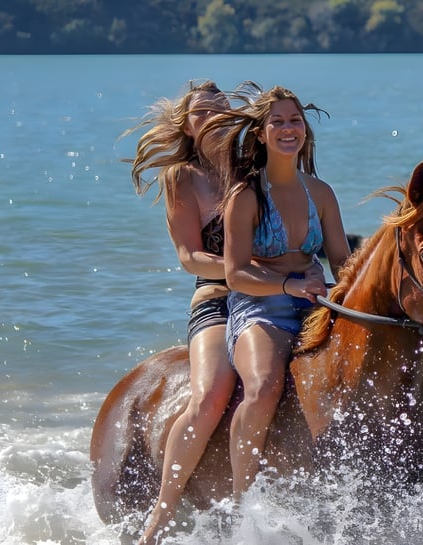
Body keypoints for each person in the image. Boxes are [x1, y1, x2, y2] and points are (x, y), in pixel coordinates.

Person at [200, 82, 351, 499]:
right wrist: (290, 284)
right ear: (262, 133)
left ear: (305, 131)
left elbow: (341, 259)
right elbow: (235, 274)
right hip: (259, 309)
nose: (289, 128)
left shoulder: (320, 193)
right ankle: (242, 502)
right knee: (265, 385)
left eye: (295, 121)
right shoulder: (244, 197)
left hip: (316, 304)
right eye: (278, 121)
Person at [123, 79, 238, 544]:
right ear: (187, 128)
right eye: (199, 114)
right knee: (211, 394)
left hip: (278, 295)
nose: (210, 119)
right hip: (217, 298)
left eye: (219, 110)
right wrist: (249, 273)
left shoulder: (256, 167)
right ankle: (161, 516)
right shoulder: (182, 178)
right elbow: (190, 256)